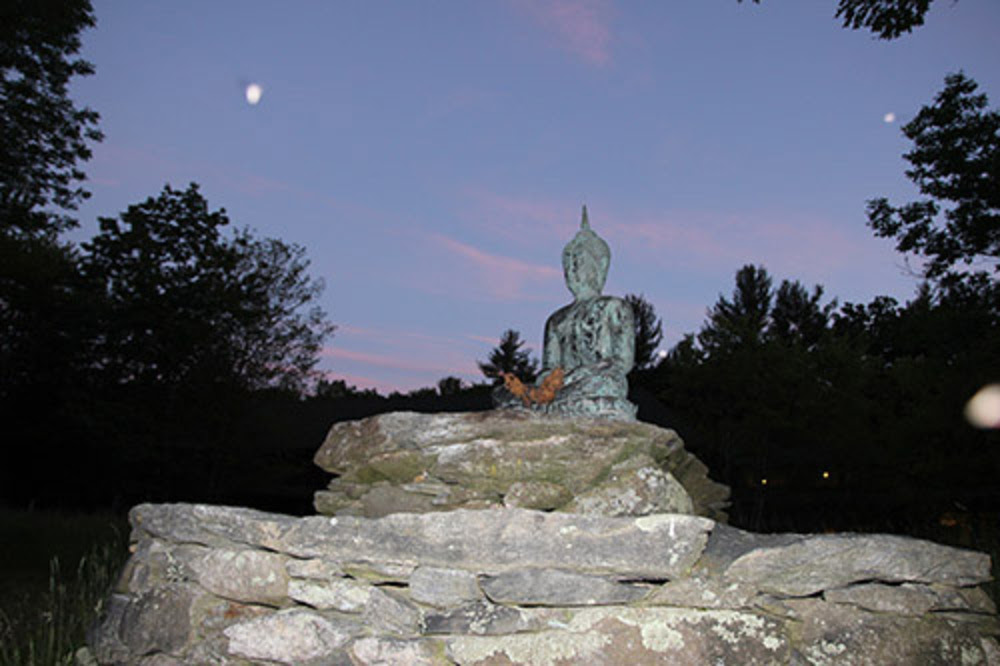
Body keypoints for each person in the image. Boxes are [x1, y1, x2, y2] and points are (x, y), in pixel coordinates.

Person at [494, 206, 637, 418]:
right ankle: (545, 405)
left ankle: (551, 408)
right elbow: (549, 367)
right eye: (568, 266)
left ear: (598, 267)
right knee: (502, 395)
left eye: (578, 263)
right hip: (560, 389)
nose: (572, 271)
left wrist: (579, 374)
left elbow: (623, 362)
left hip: (595, 380)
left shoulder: (614, 307)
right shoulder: (555, 320)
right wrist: (543, 384)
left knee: (608, 385)